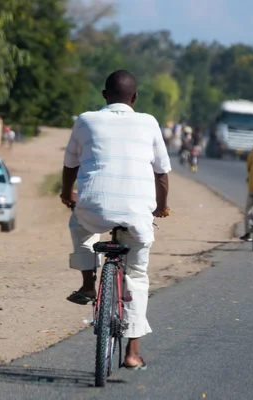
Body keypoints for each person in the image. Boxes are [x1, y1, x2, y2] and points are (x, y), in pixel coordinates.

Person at [60, 70, 171, 370]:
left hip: (93, 208)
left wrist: (65, 193)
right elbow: (161, 173)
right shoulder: (148, 122)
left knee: (78, 225)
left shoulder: (85, 120)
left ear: (104, 95)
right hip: (137, 214)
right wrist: (162, 207)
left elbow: (70, 164)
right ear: (134, 98)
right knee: (136, 276)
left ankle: (87, 284)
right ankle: (133, 354)